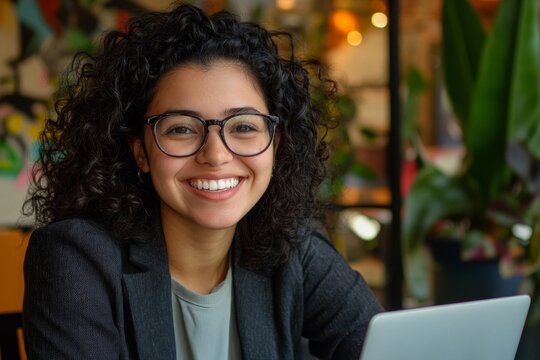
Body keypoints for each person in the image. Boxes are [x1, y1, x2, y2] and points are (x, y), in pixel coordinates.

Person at [22, 3, 383, 359]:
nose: (215, 154)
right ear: (140, 153)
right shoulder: (77, 259)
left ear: (275, 145)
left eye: (243, 126)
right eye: (181, 128)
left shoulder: (294, 248)